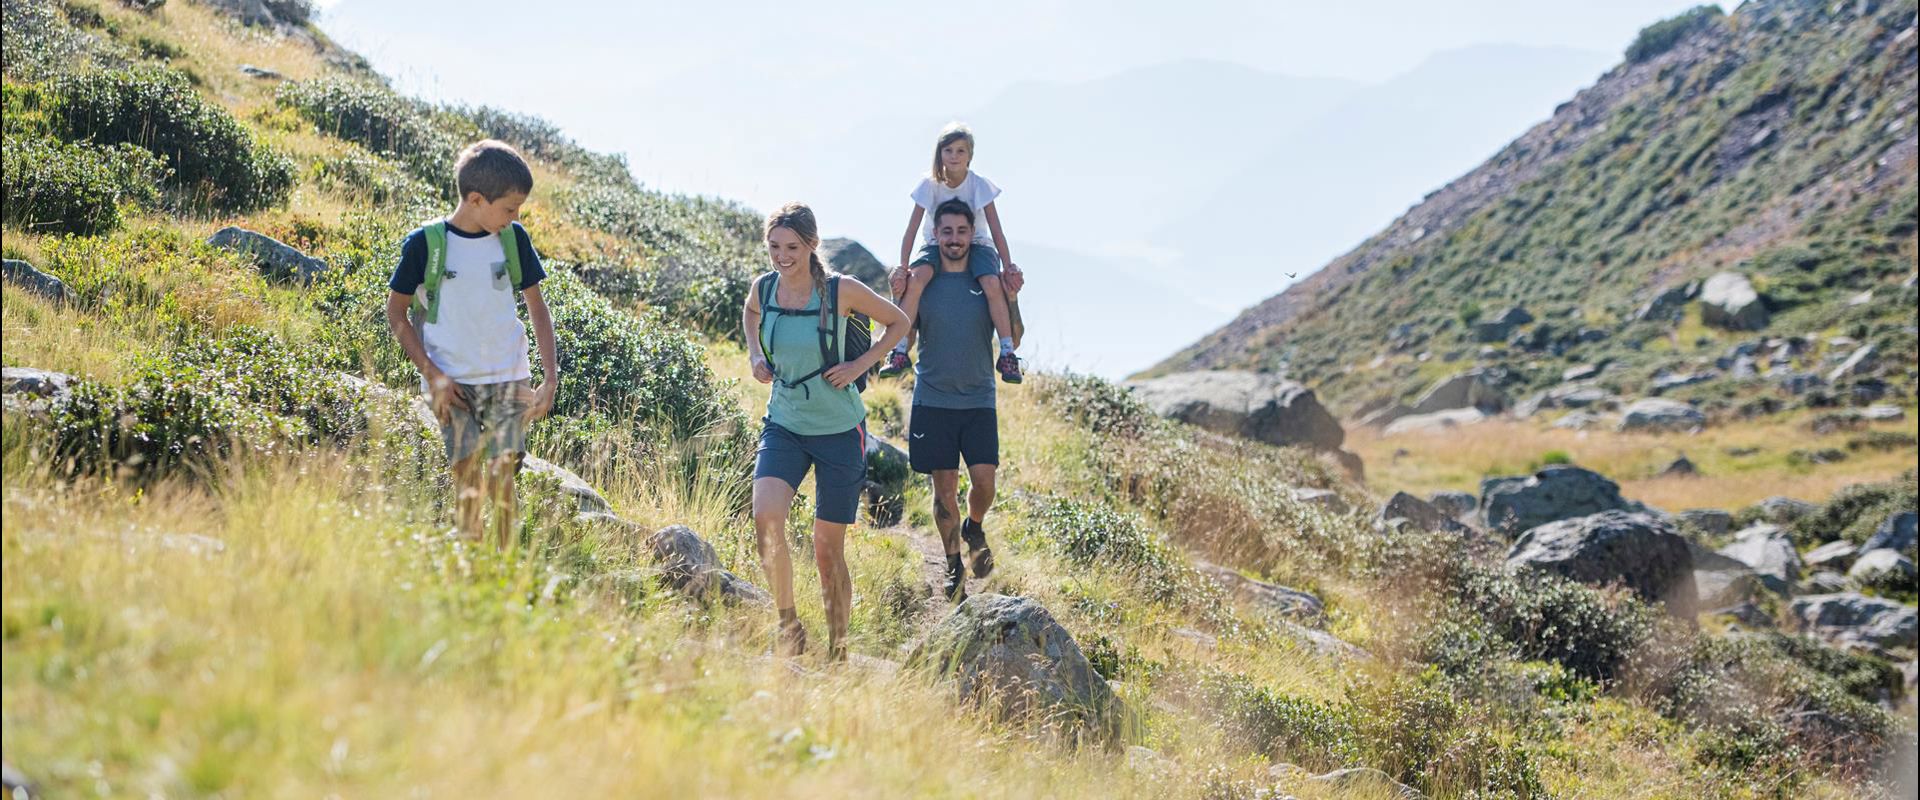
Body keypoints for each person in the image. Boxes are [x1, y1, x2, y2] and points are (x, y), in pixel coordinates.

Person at [743, 202, 910, 659]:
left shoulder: (842, 291)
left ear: (812, 245)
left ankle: (838, 649)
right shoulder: (765, 287)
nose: (782, 256)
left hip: (839, 431)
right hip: (784, 425)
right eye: (774, 246)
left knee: (825, 549)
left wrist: (859, 364)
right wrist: (756, 355)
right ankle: (788, 624)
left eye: (792, 247)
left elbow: (899, 321)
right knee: (766, 518)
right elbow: (750, 313)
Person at [385, 139, 558, 548]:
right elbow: (396, 313)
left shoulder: (514, 240)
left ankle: (505, 567)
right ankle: (472, 567)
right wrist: (434, 376)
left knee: (502, 476)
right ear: (476, 199)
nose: (515, 217)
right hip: (452, 385)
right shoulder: (425, 245)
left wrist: (550, 377)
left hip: (508, 377)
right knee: (466, 478)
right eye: (510, 208)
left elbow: (538, 308)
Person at [908, 200, 1010, 601]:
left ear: (972, 234)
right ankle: (953, 568)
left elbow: (1012, 335)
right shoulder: (925, 280)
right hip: (933, 400)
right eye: (946, 231)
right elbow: (905, 332)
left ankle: (974, 524)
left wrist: (1013, 297)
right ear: (936, 235)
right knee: (943, 488)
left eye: (961, 232)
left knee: (984, 483)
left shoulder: (986, 279)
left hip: (979, 399)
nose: (954, 239)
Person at [878, 122, 1026, 384]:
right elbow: (910, 230)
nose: (954, 157)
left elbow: (996, 229)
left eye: (961, 151)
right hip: (936, 241)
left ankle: (1007, 353)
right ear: (939, 153)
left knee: (991, 283)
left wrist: (1008, 265)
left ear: (970, 155)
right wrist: (903, 266)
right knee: (916, 281)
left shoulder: (978, 185)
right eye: (949, 150)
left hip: (977, 241)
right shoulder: (929, 184)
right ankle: (899, 349)